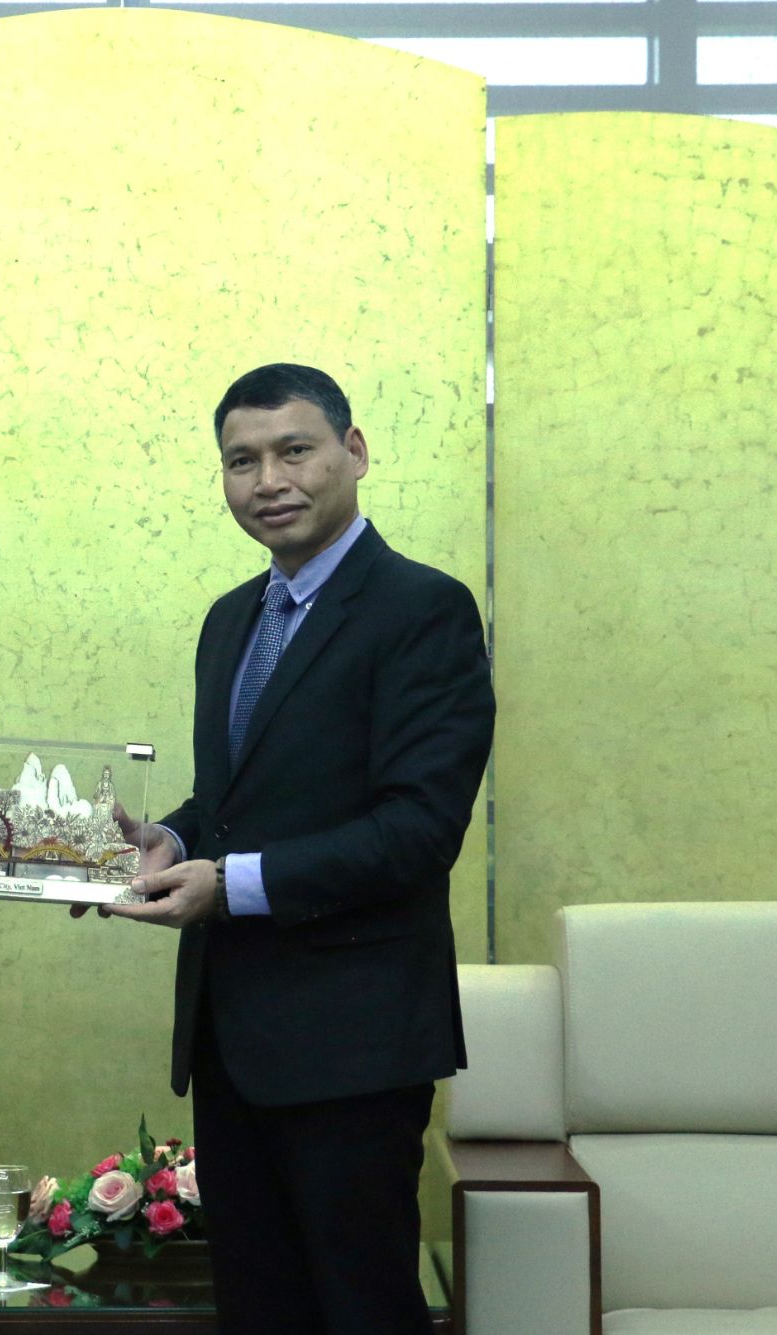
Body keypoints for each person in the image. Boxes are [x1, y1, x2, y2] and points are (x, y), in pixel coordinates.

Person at [100, 364, 494, 1334]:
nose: (267, 478)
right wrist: (174, 838)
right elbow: (241, 802)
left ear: (351, 454)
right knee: (257, 1308)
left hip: (354, 1046)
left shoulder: (422, 611)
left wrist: (225, 884)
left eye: (293, 450)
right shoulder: (230, 618)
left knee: (360, 1309)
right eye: (241, 460)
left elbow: (417, 829)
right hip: (230, 1037)